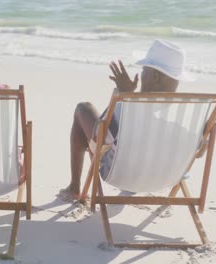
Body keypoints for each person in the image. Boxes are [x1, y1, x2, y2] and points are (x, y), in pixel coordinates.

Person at [62, 39, 193, 200]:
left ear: (156, 76)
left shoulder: (126, 108)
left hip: (121, 174)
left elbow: (99, 136)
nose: (142, 73)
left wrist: (122, 95)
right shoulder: (184, 113)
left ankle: (74, 187)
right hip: (165, 177)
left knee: (83, 108)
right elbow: (199, 150)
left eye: (145, 69)